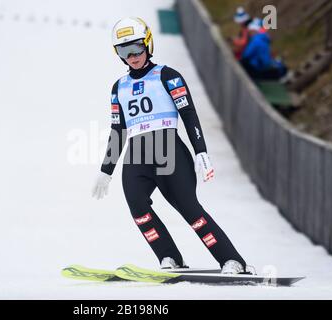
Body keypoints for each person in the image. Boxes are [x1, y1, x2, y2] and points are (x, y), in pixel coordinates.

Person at [92, 17, 253, 274]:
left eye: (136, 48)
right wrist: (105, 170)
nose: (132, 56)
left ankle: (232, 260)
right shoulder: (118, 87)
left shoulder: (168, 76)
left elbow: (189, 114)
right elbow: (117, 130)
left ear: (148, 44)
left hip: (169, 150)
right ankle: (169, 257)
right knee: (138, 208)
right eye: (124, 51)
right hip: (136, 154)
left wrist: (201, 151)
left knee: (190, 209)